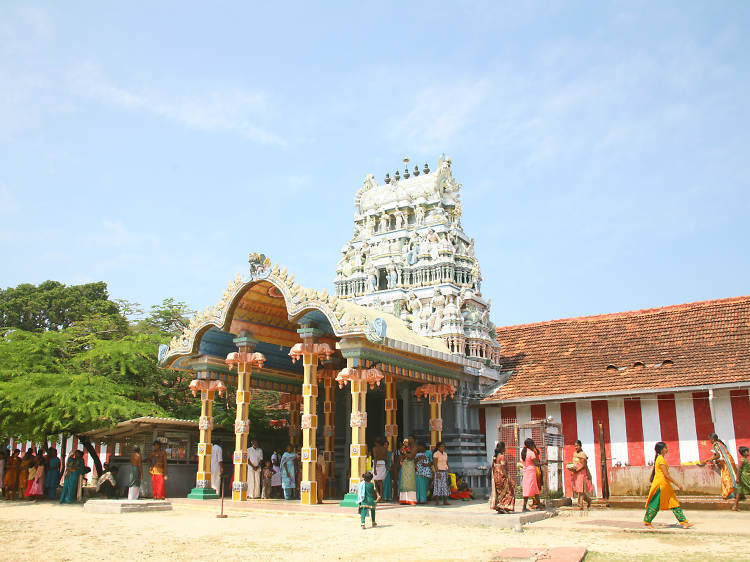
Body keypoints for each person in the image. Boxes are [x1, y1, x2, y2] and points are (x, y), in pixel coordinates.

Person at [644, 441, 693, 528]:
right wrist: (678, 484)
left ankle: (684, 522)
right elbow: (666, 475)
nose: (667, 449)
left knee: (674, 502)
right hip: (661, 485)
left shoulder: (660, 459)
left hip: (666, 485)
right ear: (662, 450)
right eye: (665, 448)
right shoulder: (660, 459)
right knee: (655, 504)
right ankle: (647, 522)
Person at [700, 433, 739, 500]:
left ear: (712, 439)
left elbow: (718, 455)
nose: (710, 441)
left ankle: (730, 494)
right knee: (731, 477)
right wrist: (709, 459)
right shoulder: (720, 444)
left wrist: (708, 459)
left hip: (727, 463)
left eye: (710, 439)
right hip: (729, 461)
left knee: (727, 477)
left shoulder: (716, 444)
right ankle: (733, 493)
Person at [489, 442, 515, 513]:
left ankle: (499, 506)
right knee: (509, 491)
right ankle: (505, 506)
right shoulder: (502, 457)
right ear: (502, 448)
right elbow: (503, 468)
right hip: (502, 476)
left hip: (496, 477)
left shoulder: (495, 457)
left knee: (499, 492)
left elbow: (493, 467)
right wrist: (508, 478)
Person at [568, 440, 593, 510]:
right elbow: (574, 463)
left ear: (580, 446)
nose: (576, 447)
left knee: (580, 489)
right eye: (575, 446)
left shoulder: (583, 454)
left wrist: (577, 470)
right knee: (576, 490)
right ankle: (588, 500)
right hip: (575, 473)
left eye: (577, 446)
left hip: (581, 473)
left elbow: (583, 465)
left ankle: (580, 505)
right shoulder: (574, 453)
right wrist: (571, 469)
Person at [521, 438, 541, 511]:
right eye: (533, 445)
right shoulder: (531, 453)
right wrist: (543, 463)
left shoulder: (523, 452)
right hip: (531, 472)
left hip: (525, 472)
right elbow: (536, 463)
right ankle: (538, 505)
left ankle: (525, 506)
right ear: (530, 445)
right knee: (535, 488)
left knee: (528, 489)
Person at [398, 438, 417, 505]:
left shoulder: (413, 448)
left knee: (410, 482)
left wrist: (405, 453)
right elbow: (400, 456)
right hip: (404, 465)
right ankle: (403, 499)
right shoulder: (402, 448)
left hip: (410, 464)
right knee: (404, 481)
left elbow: (411, 456)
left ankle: (411, 500)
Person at [433, 441, 450, 505]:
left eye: (443, 446)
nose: (443, 447)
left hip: (445, 471)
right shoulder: (436, 454)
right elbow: (435, 464)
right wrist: (437, 472)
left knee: (445, 486)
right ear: (438, 447)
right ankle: (437, 501)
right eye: (441, 446)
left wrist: (448, 471)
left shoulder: (445, 454)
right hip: (439, 471)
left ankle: (445, 501)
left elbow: (447, 463)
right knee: (438, 486)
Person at [733, 446, 750, 511]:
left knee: (740, 492)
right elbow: (739, 469)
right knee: (739, 492)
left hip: (747, 477)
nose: (748, 452)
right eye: (747, 451)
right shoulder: (742, 460)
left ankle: (735, 506)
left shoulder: (745, 460)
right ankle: (735, 506)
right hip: (743, 477)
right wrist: (737, 478)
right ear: (744, 452)